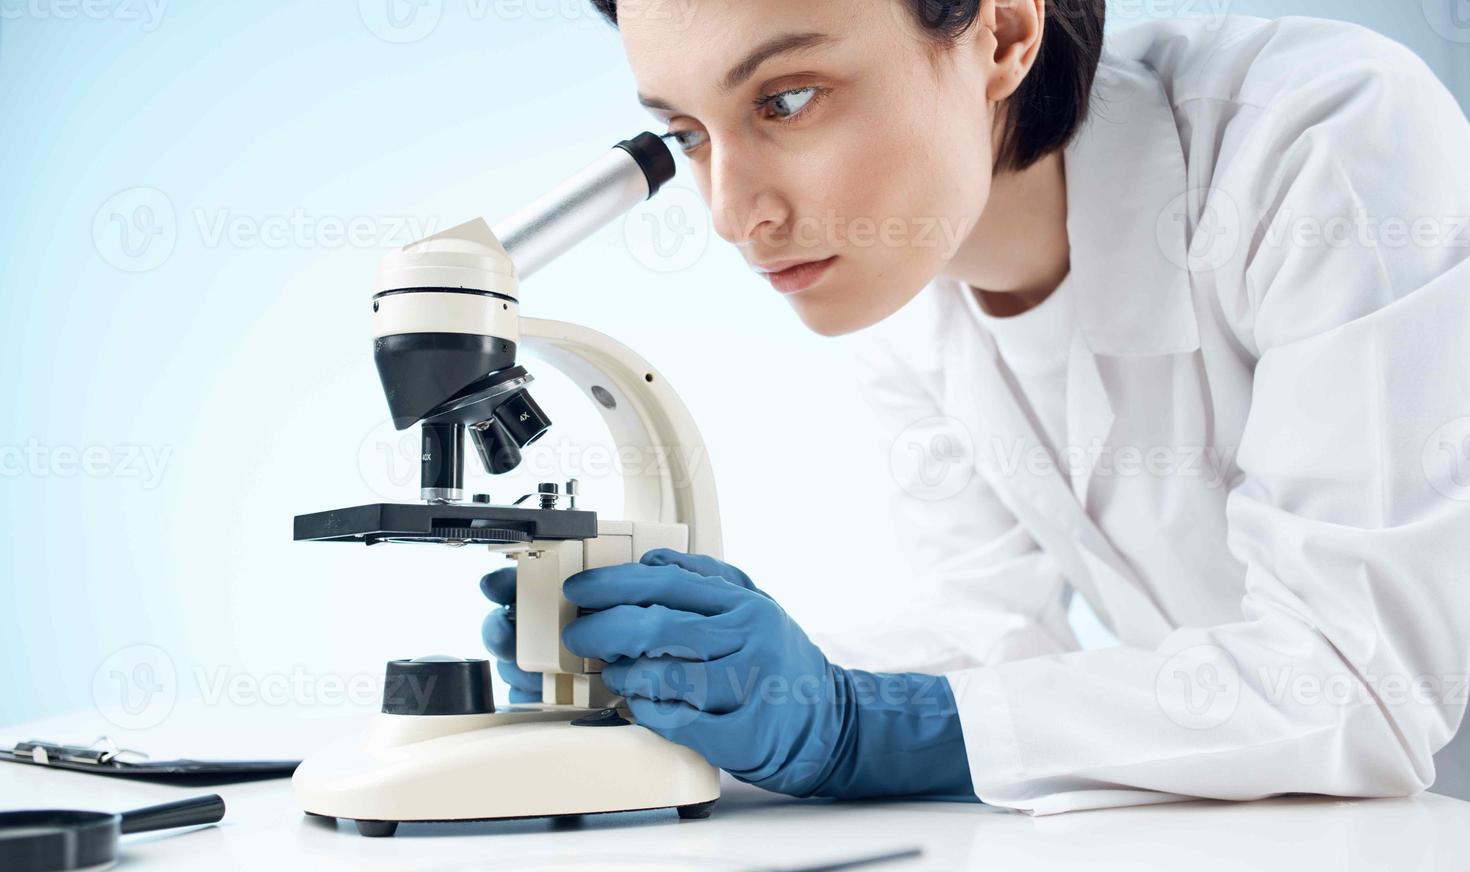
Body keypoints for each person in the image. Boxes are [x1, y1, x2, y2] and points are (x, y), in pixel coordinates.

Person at [483, 0, 1470, 814]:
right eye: (688, 134)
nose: (735, 215)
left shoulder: (1322, 140)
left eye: (785, 100)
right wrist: (699, 688)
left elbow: (1358, 680)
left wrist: (862, 728)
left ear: (1000, 33)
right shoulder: (900, 283)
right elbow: (988, 631)